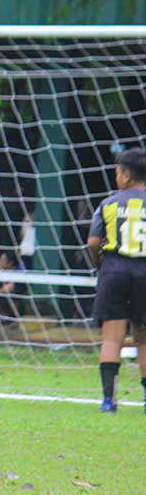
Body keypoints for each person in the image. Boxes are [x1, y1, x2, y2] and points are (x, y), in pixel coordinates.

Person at [86, 147, 146, 413]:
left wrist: (99, 262)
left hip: (115, 269)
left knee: (112, 338)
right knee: (144, 339)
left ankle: (109, 401)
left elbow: (93, 242)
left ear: (125, 175)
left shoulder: (108, 204)